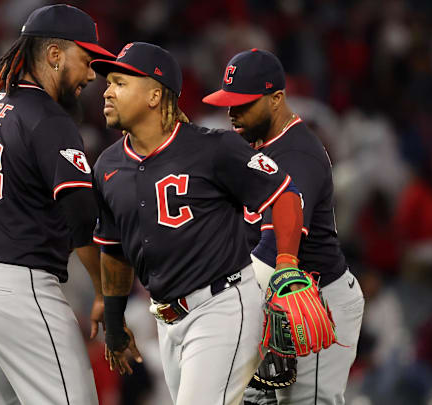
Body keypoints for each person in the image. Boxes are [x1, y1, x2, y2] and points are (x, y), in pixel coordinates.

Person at [89, 42, 309, 405]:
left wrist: (285, 264)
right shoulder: (108, 165)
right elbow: (114, 249)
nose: (107, 91)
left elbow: (284, 195)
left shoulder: (214, 148)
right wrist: (114, 323)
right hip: (165, 320)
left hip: (222, 306)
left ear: (155, 95)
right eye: (109, 83)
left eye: (119, 82)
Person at [0, 4, 115, 404]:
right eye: (85, 59)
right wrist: (105, 293)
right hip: (17, 288)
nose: (91, 74)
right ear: (54, 55)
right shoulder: (49, 118)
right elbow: (82, 216)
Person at [203, 48, 365, 405]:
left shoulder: (297, 154)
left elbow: (277, 243)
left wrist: (226, 298)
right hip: (270, 297)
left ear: (276, 99)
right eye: (228, 103)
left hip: (316, 300)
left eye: (243, 104)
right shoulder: (251, 146)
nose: (232, 113)